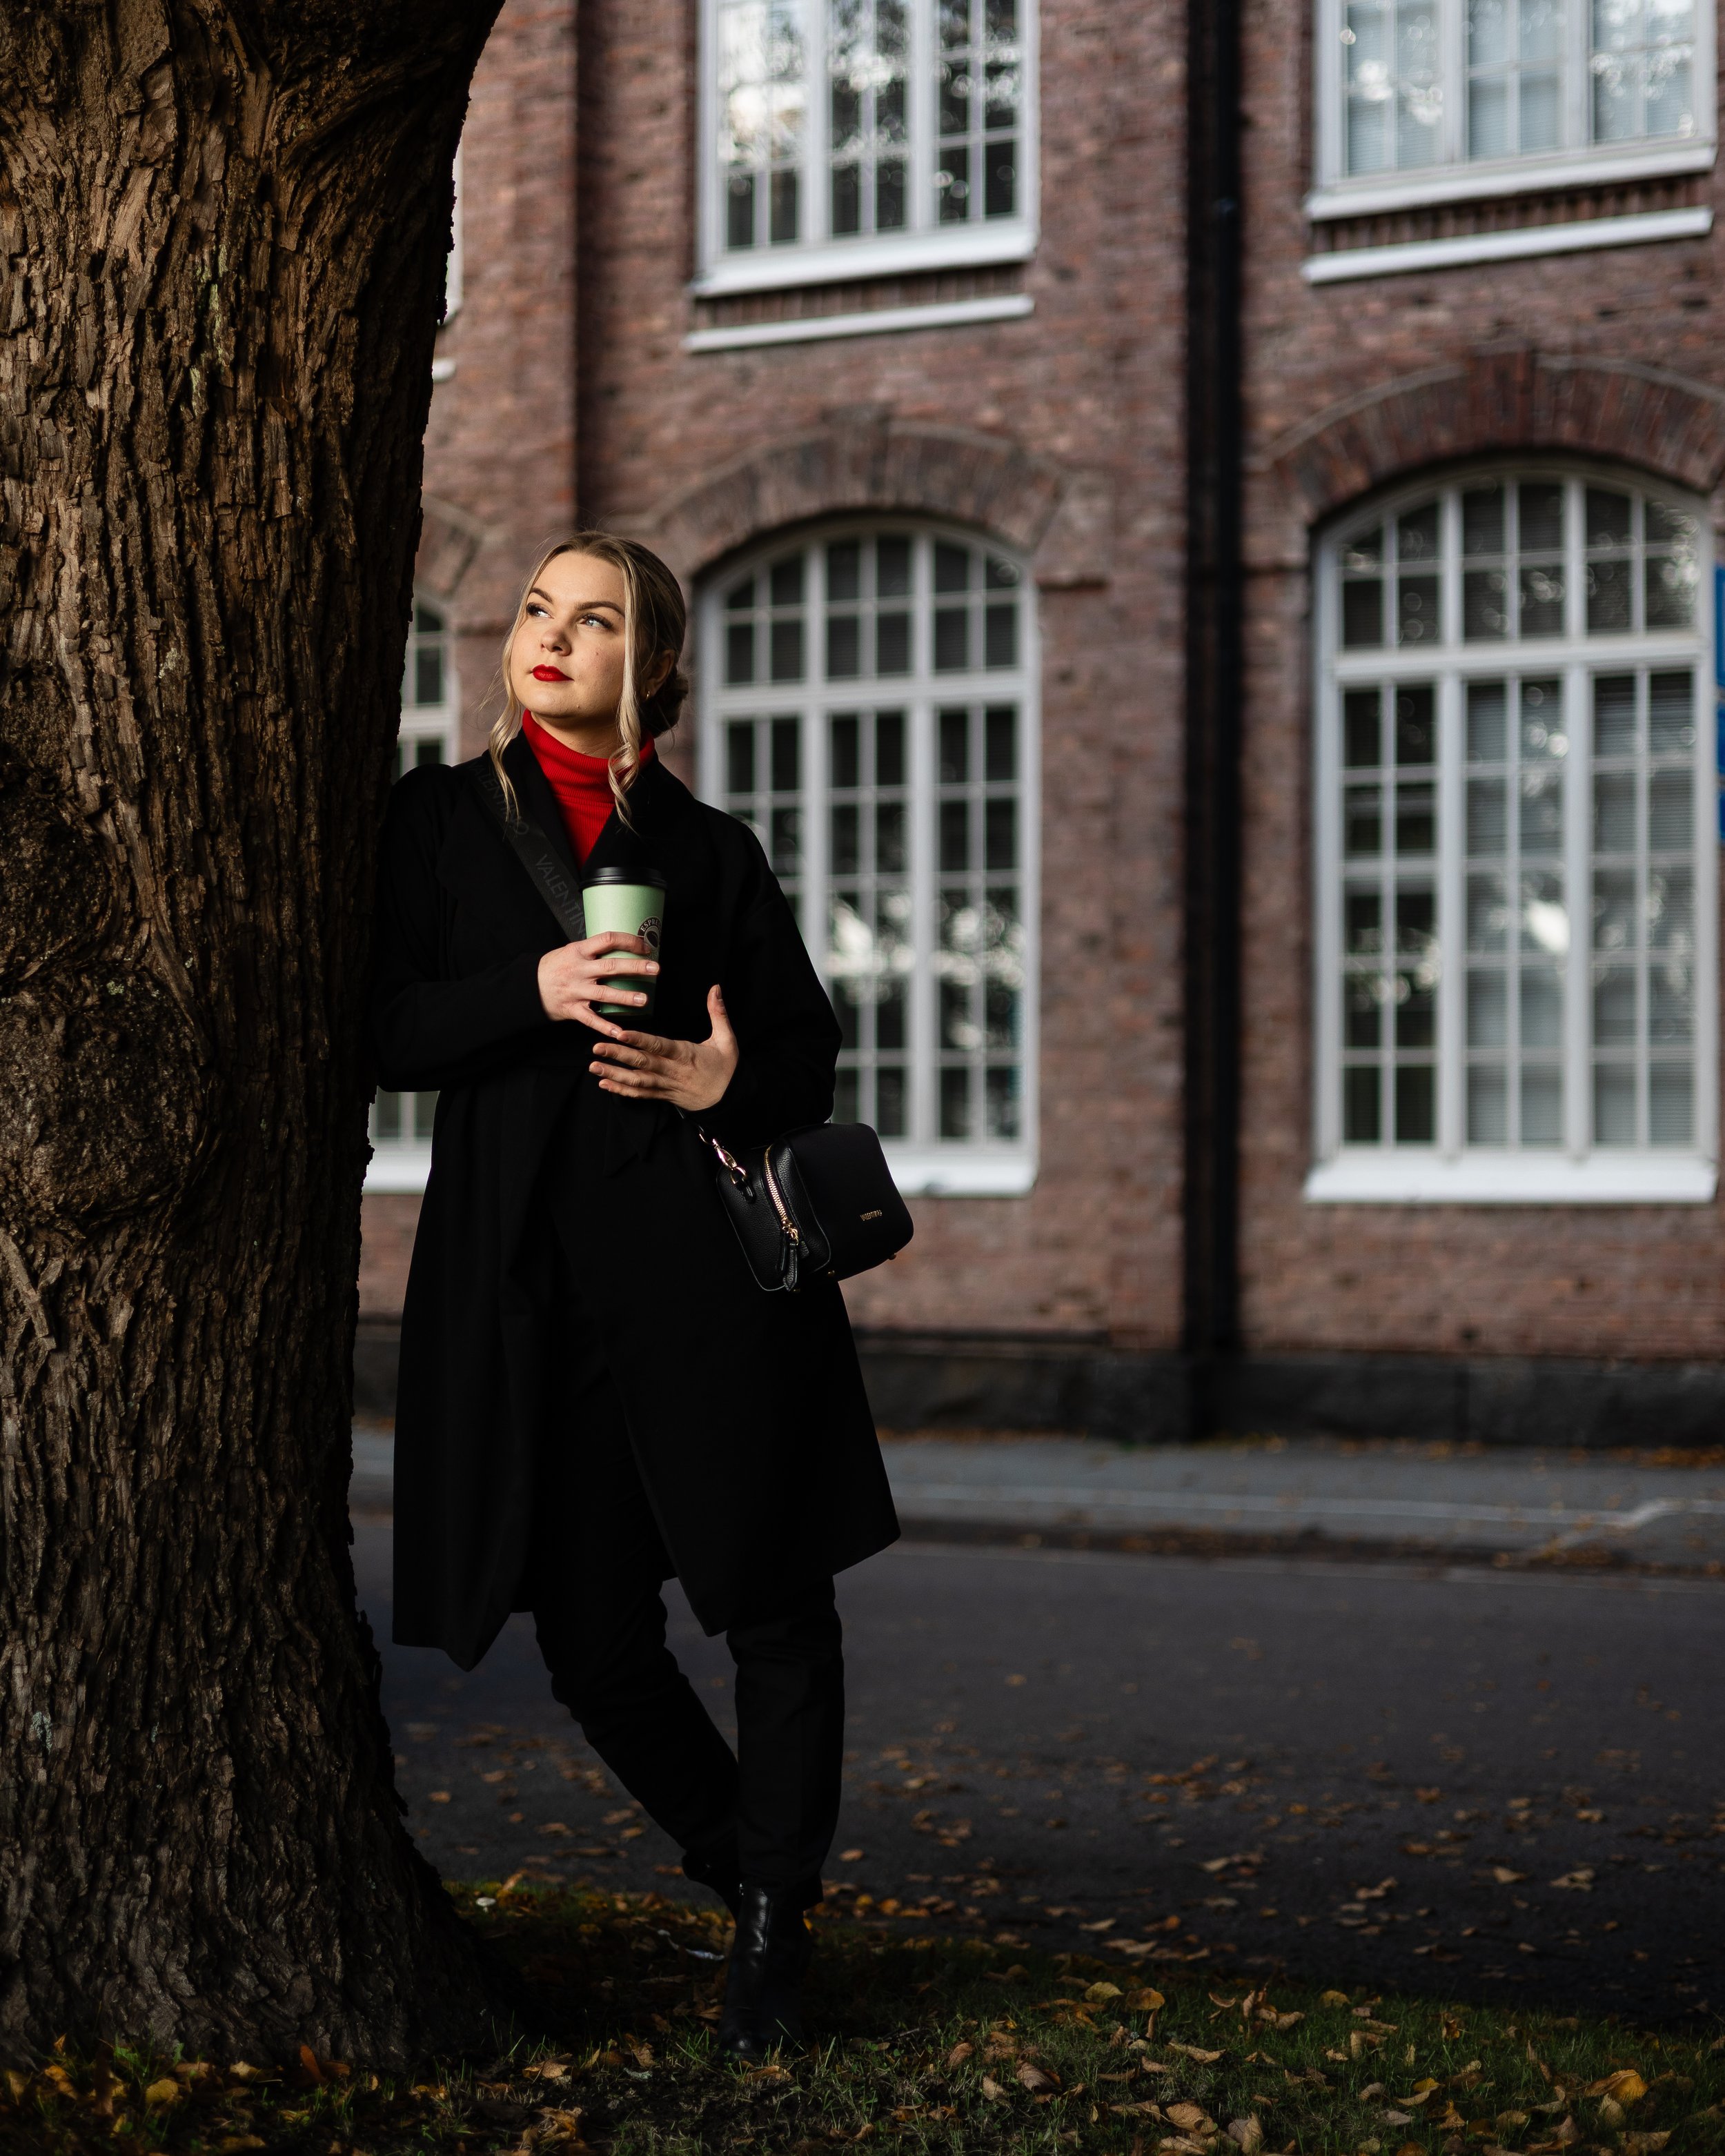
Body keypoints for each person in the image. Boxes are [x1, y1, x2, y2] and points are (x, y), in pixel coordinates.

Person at [368, 533, 900, 2055]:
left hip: (710, 1285)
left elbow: (803, 1049)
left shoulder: (713, 850)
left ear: (648, 664)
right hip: (532, 1288)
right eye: (537, 609)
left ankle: (770, 1940)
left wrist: (733, 1077)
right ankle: (750, 1872)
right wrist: (523, 994)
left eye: (590, 620)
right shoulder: (440, 824)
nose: (548, 636)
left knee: (776, 1608)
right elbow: (378, 1025)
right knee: (593, 1636)